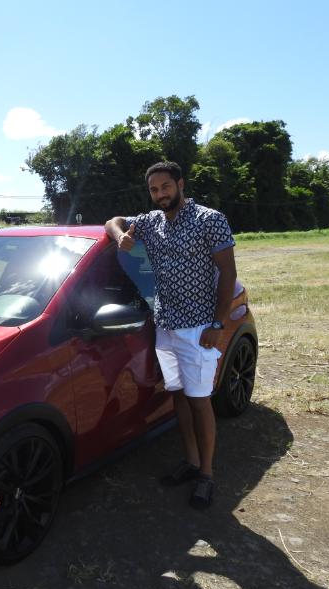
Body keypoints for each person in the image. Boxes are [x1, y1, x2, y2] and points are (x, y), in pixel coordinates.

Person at [105, 161, 237, 509]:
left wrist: (218, 324)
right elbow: (112, 222)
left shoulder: (209, 219)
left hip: (198, 328)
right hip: (166, 326)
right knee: (178, 395)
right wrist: (121, 237)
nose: (160, 194)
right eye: (154, 190)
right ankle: (190, 462)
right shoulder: (151, 223)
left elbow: (228, 272)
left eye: (165, 187)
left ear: (180, 184)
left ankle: (207, 475)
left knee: (200, 400)